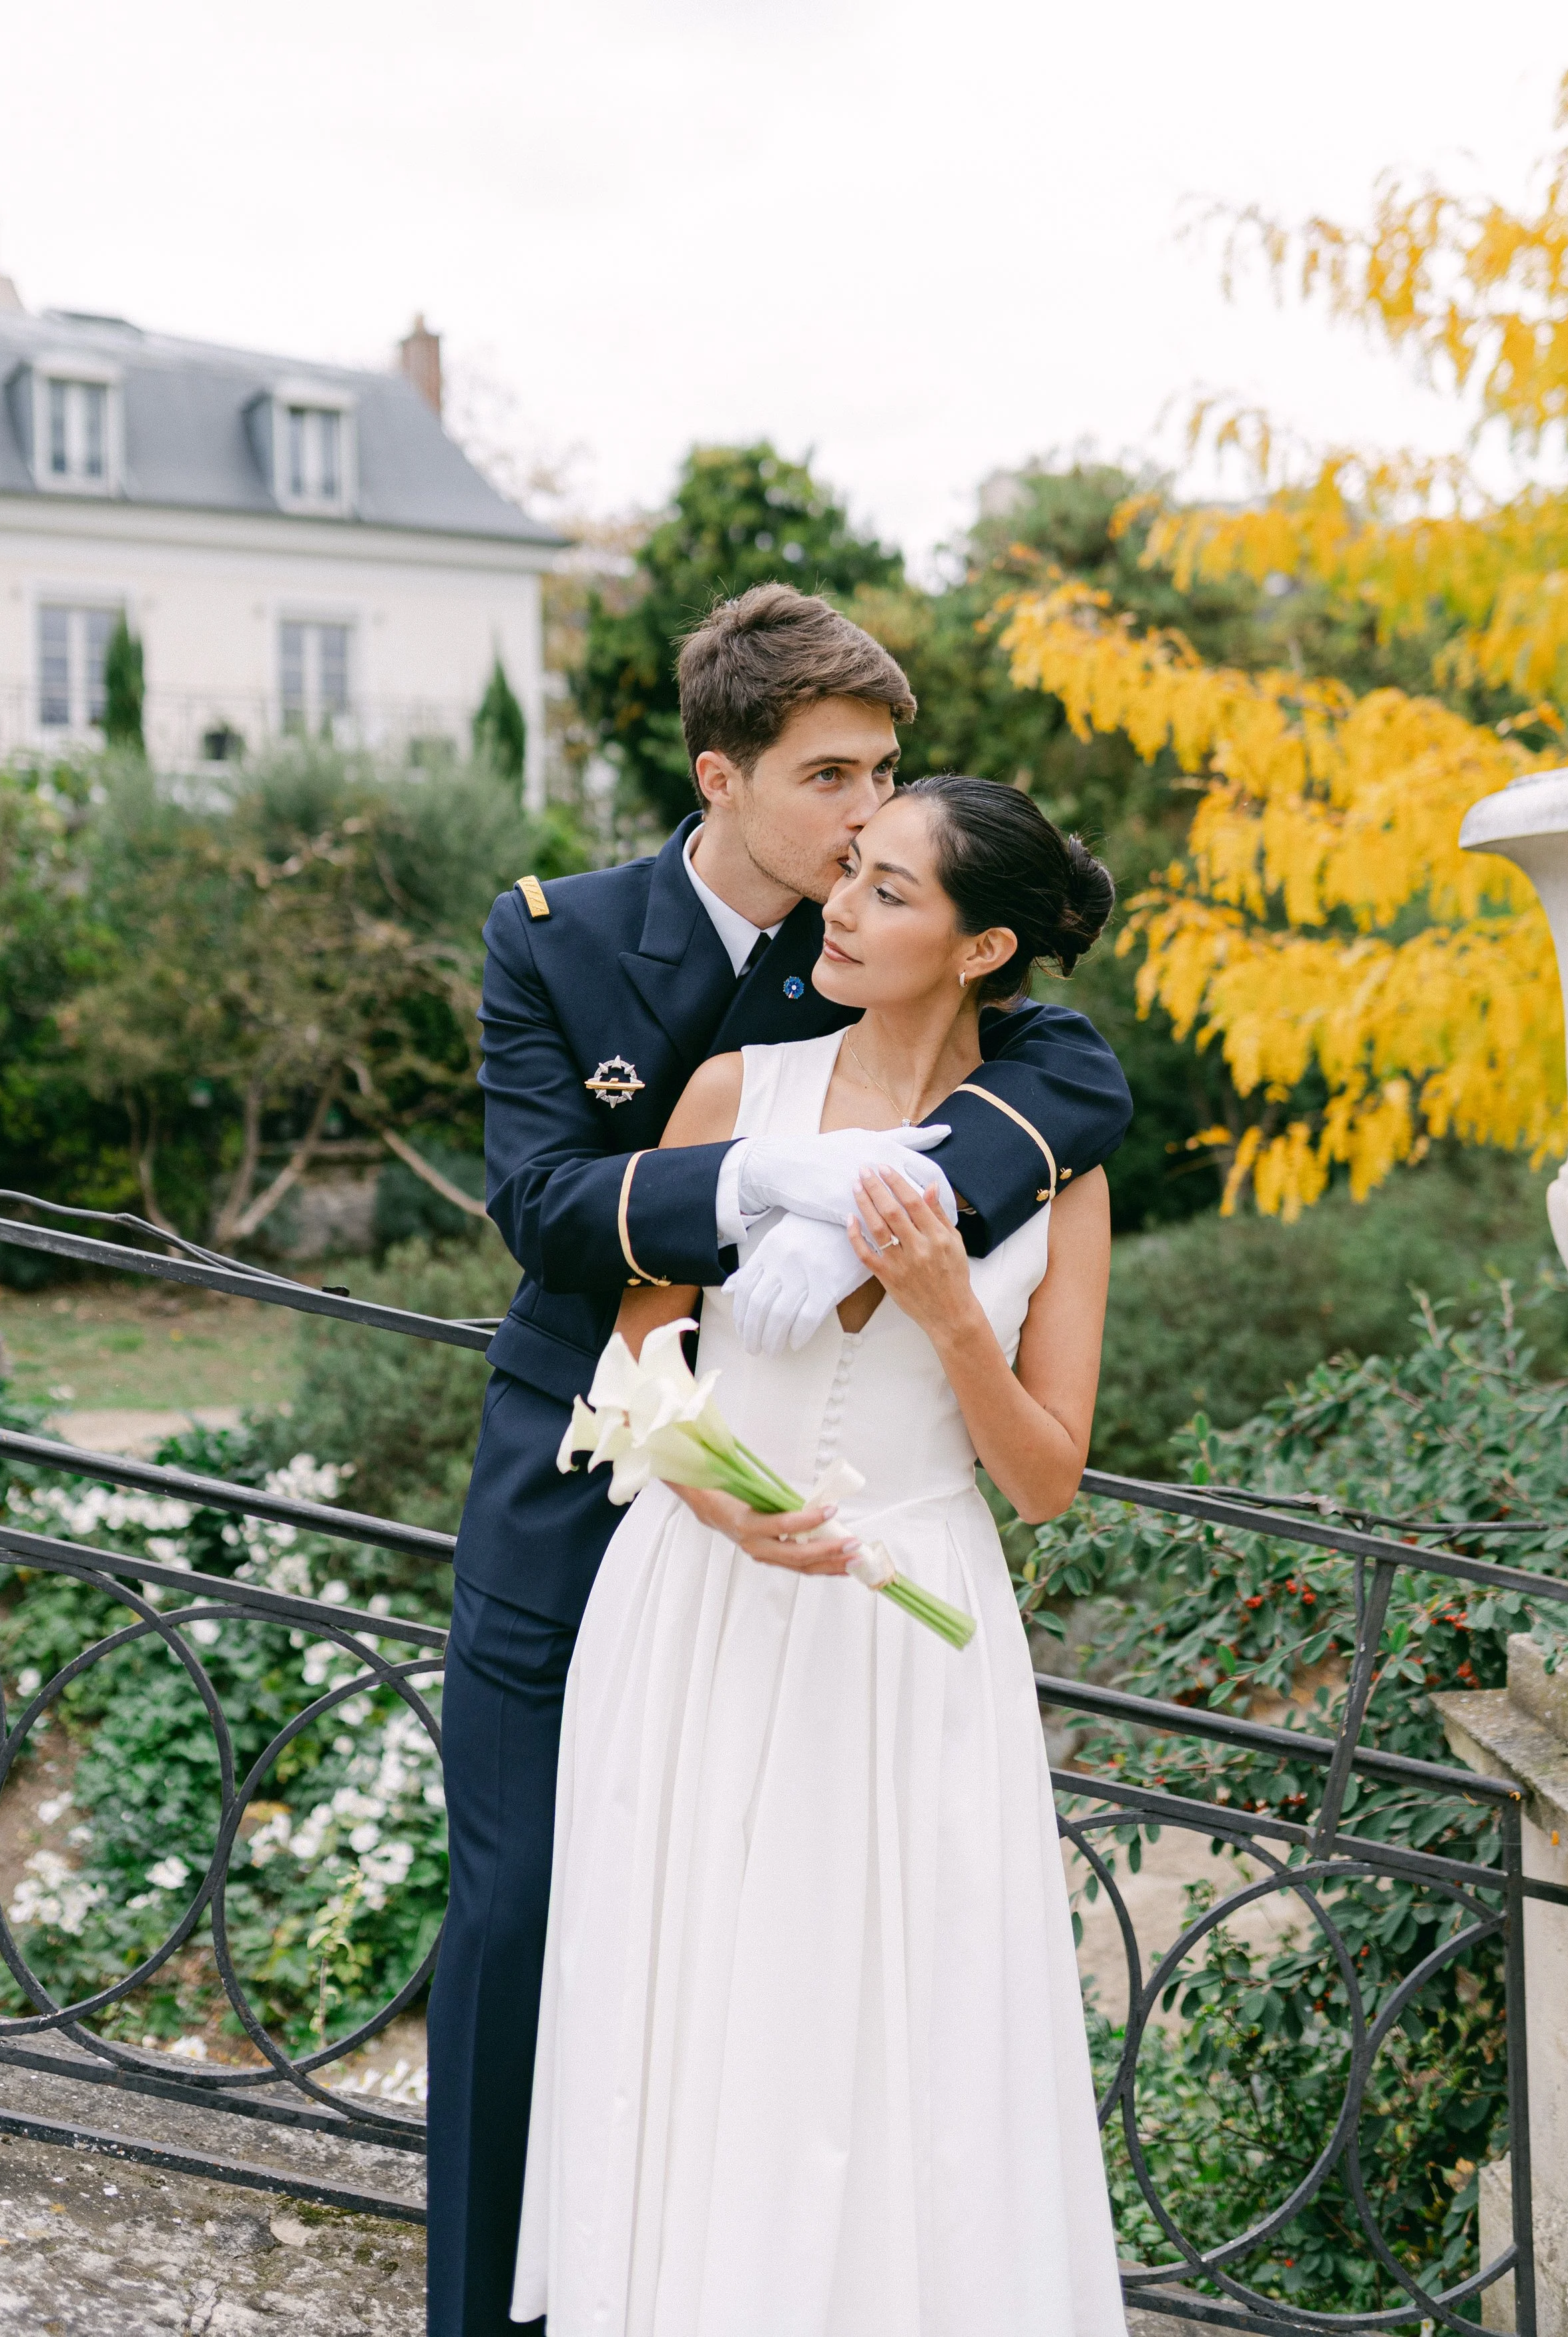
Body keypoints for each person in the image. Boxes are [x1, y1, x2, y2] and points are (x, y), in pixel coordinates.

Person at [429, 588, 1131, 2337]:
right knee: (537, 1921)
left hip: (888, 1567)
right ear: (720, 778)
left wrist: (935, 1260)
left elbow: (1071, 1091)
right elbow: (546, 1224)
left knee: (874, 1976)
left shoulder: (1012, 1054)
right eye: (831, 782)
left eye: (883, 785)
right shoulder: (570, 944)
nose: (855, 829)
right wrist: (764, 1198)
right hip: (596, 1488)